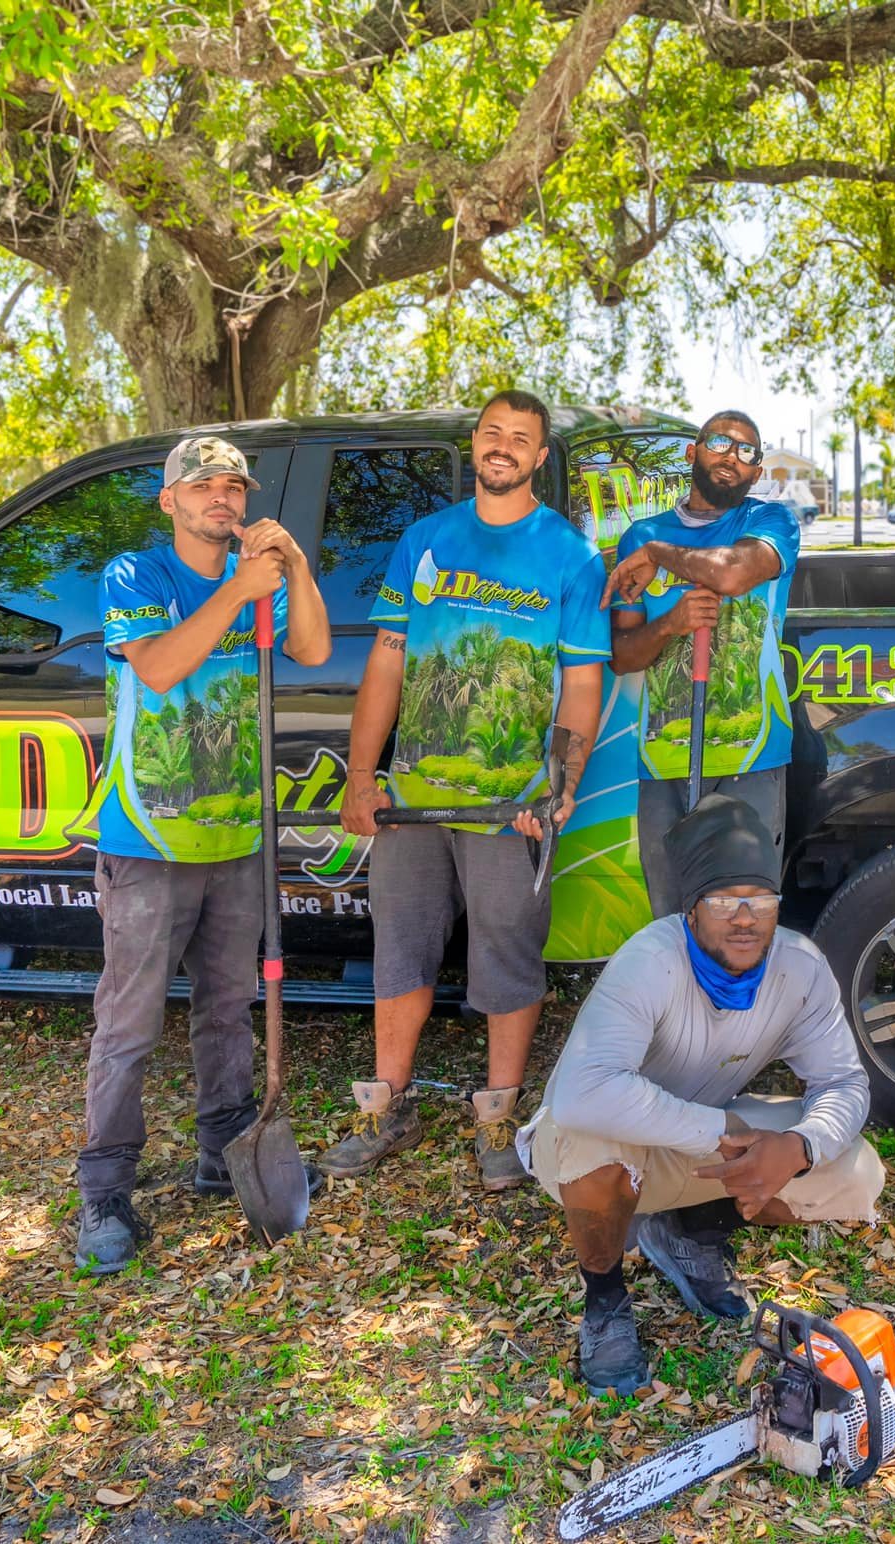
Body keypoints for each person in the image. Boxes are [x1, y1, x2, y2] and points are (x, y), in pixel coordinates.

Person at [327, 390, 608, 1190]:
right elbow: (388, 660)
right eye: (493, 432)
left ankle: (497, 1117)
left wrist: (561, 785)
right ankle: (385, 1106)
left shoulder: (571, 557)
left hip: (511, 808)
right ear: (474, 443)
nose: (503, 446)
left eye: (520, 438)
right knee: (400, 950)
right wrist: (362, 776)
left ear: (539, 458)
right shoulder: (426, 540)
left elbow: (582, 685)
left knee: (508, 959)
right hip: (411, 803)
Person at [518, 794, 886, 1396]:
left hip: (694, 1144)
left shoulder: (800, 967)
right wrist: (721, 1131)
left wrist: (798, 1146)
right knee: (592, 1139)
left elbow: (844, 1083)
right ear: (691, 910)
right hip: (594, 1147)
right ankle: (604, 1303)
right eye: (723, 901)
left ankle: (688, 1233)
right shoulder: (650, 961)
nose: (745, 918)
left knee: (855, 1171)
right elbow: (584, 1094)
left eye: (760, 900)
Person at [76, 435, 332, 1273]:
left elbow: (313, 650)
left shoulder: (256, 576)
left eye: (234, 486)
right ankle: (104, 1190)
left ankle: (225, 1152)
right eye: (203, 486)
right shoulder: (135, 575)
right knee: (130, 1022)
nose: (222, 497)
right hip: (148, 838)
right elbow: (156, 667)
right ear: (170, 501)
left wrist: (295, 569)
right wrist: (237, 592)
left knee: (227, 1008)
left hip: (236, 839)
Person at [602, 412, 801, 917]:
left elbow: (732, 574)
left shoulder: (770, 522)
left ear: (757, 472)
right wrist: (670, 624)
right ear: (693, 453)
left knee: (741, 917)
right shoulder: (640, 535)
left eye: (747, 451)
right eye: (719, 442)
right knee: (672, 915)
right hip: (662, 764)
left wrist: (659, 554)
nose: (732, 456)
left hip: (751, 758)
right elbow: (622, 656)